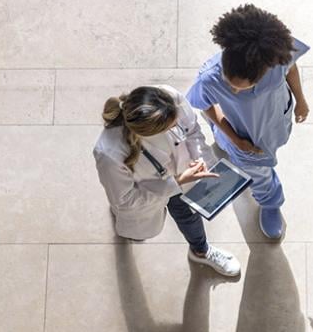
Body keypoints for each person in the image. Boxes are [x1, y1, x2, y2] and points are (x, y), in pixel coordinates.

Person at [186, 4, 310, 241]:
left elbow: (291, 69)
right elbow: (205, 104)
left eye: (240, 87)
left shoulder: (276, 54)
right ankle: (270, 202)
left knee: (260, 145)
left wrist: (301, 101)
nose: (231, 89)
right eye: (228, 84)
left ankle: (223, 139)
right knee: (260, 174)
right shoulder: (210, 78)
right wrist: (236, 139)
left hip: (276, 118)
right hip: (246, 138)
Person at [94, 85, 241, 277]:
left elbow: (192, 131)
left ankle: (201, 250)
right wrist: (176, 183)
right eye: (170, 127)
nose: (176, 127)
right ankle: (129, 230)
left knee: (189, 216)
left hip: (184, 178)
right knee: (134, 228)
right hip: (152, 192)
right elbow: (125, 200)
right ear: (148, 132)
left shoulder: (167, 97)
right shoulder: (109, 153)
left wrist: (201, 158)